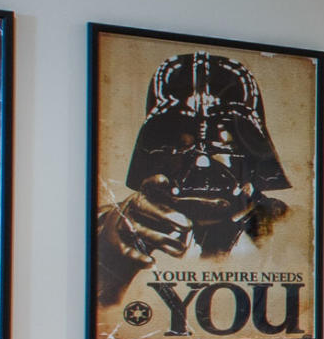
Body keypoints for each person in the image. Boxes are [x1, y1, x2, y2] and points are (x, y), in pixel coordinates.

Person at [94, 51, 296, 306]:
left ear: (252, 154)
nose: (201, 161)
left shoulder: (294, 230)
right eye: (179, 146)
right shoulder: (108, 229)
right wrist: (108, 264)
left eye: (221, 146)